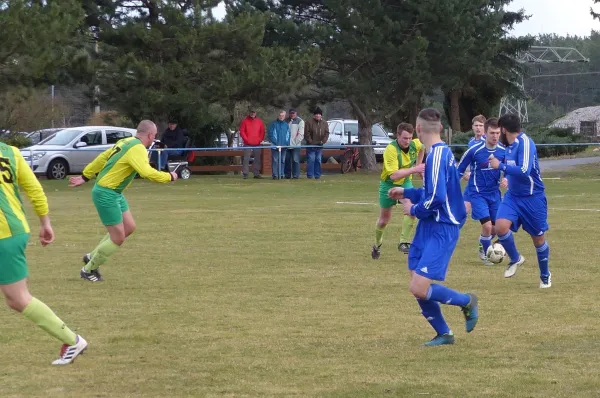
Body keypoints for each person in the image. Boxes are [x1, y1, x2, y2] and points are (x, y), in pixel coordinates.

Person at [388, 108, 478, 346]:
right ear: (439, 128)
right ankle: (444, 333)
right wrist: (406, 192)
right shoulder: (439, 153)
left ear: (417, 130)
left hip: (442, 227)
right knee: (416, 284)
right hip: (429, 226)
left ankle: (466, 301)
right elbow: (432, 192)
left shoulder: (438, 156)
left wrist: (413, 210)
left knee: (419, 287)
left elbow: (437, 199)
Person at [0, 140, 87, 365]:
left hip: (4, 235)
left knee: (18, 298)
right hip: (14, 229)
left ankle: (73, 340)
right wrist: (45, 222)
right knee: (14, 299)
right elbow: (34, 188)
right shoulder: (10, 152)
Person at [69, 120, 178, 282]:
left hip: (115, 192)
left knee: (129, 227)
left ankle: (92, 256)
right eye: (154, 137)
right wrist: (169, 177)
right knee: (118, 237)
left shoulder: (125, 141)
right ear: (150, 135)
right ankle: (88, 269)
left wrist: (86, 175)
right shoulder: (138, 148)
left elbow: (103, 157)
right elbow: (146, 172)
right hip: (106, 193)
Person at [489, 114, 551, 288]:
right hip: (513, 196)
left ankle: (545, 275)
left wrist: (500, 166)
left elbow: (524, 169)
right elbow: (509, 165)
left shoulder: (525, 143)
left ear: (504, 130)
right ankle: (515, 258)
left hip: (533, 197)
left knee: (538, 238)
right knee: (500, 227)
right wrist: (505, 175)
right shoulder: (508, 146)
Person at [457, 118, 507, 265]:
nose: (495, 136)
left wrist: (507, 179)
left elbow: (509, 169)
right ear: (485, 132)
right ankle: (486, 254)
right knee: (486, 226)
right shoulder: (474, 150)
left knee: (497, 228)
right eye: (492, 133)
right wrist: (451, 188)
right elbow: (459, 170)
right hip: (477, 193)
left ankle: (482, 243)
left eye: (498, 133)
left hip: (495, 194)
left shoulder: (503, 151)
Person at [372, 123, 424, 260]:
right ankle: (377, 244)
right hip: (388, 185)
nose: (407, 141)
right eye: (404, 138)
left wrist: (418, 164)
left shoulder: (415, 144)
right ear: (398, 136)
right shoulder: (391, 149)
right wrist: (415, 169)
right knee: (384, 220)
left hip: (405, 182)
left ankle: (404, 242)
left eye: (409, 138)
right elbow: (394, 175)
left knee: (411, 208)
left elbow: (422, 147)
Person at [239, 109, 266, 179]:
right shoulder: (244, 121)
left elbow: (262, 131)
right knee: (246, 159)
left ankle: (256, 173)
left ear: (256, 113)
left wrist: (259, 140)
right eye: (251, 112)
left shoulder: (259, 121)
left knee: (257, 159)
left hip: (257, 143)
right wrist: (246, 139)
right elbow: (242, 131)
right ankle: (245, 174)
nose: (252, 113)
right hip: (247, 143)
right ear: (249, 113)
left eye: (254, 112)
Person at [304, 107, 329, 179]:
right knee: (311, 159)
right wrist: (310, 141)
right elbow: (306, 133)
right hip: (311, 145)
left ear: (321, 115)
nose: (318, 115)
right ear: (314, 115)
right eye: (316, 114)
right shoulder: (309, 122)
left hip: (320, 145)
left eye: (319, 114)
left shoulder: (325, 123)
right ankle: (310, 175)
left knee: (318, 159)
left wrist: (323, 141)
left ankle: (317, 175)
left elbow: (327, 133)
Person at [268, 110, 291, 179]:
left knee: (282, 161)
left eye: (283, 115)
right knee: (275, 161)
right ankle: (275, 175)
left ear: (285, 116)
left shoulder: (286, 125)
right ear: (278, 116)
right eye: (280, 115)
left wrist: (286, 143)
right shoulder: (273, 124)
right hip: (275, 147)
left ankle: (281, 174)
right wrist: (276, 143)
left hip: (284, 146)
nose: (281, 117)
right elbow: (271, 135)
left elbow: (288, 135)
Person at [284, 109, 305, 179]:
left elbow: (301, 134)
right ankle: (287, 175)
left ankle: (296, 175)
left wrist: (295, 143)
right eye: (291, 113)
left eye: (293, 113)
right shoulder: (285, 120)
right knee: (287, 160)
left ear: (296, 113)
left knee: (295, 160)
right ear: (289, 114)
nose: (292, 114)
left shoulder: (300, 121)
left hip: (296, 145)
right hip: (286, 145)